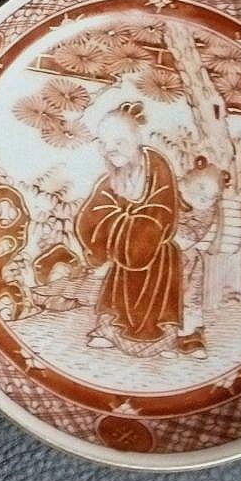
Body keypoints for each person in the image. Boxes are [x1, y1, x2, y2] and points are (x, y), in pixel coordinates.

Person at [74, 101, 181, 354]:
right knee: (119, 286)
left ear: (137, 138)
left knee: (155, 270)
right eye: (104, 144)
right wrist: (120, 225)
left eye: (119, 142)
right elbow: (91, 215)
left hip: (156, 253)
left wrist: (122, 224)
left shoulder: (157, 168)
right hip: (123, 253)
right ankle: (110, 330)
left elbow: (161, 212)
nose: (110, 150)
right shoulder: (111, 175)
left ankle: (161, 337)